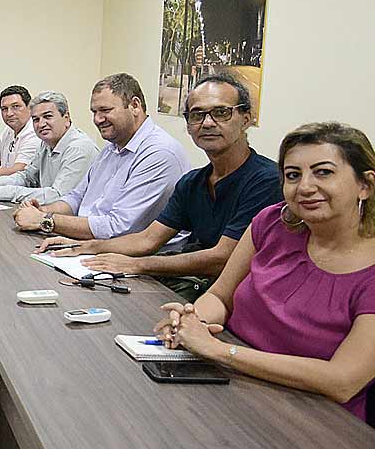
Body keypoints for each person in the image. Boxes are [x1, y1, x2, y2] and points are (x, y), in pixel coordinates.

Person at [154, 122, 375, 422]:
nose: (306, 187)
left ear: (366, 185)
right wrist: (193, 321)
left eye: (323, 172)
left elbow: (342, 381)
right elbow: (221, 296)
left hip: (315, 421)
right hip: (230, 386)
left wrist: (219, 351)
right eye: (293, 175)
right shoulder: (271, 222)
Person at [38, 74, 282, 301]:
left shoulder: (266, 180)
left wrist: (137, 264)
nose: (207, 123)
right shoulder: (193, 182)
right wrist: (85, 247)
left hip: (241, 297)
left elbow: (223, 258)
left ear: (246, 119)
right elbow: (147, 239)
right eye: (197, 115)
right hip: (198, 286)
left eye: (221, 112)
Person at [13, 73, 189, 239]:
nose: (97, 119)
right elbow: (76, 198)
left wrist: (45, 220)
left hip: (133, 258)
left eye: (105, 110)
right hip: (95, 242)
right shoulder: (111, 148)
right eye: (94, 112)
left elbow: (117, 228)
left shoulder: (158, 153)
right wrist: (42, 211)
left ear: (134, 106)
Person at [0, 91, 97, 203]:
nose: (41, 124)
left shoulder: (79, 148)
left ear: (66, 117)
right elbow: (27, 177)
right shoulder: (46, 142)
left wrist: (1, 192)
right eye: (36, 119)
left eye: (48, 117)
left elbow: (58, 196)